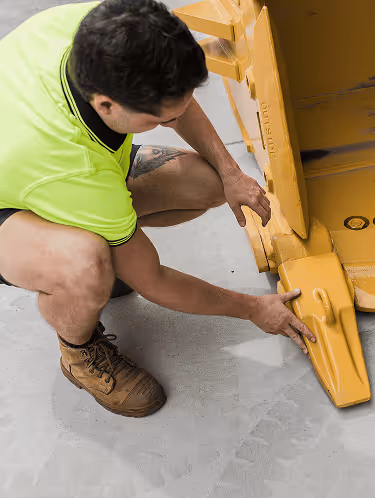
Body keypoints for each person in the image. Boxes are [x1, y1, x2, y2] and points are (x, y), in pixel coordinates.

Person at [0, 0, 316, 419]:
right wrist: (252, 308)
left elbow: (174, 102)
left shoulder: (105, 29)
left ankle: (107, 250)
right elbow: (154, 280)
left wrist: (231, 173)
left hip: (45, 168)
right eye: (156, 119)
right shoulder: (75, 169)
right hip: (14, 201)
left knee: (207, 183)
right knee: (84, 265)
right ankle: (78, 352)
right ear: (106, 105)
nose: (173, 117)